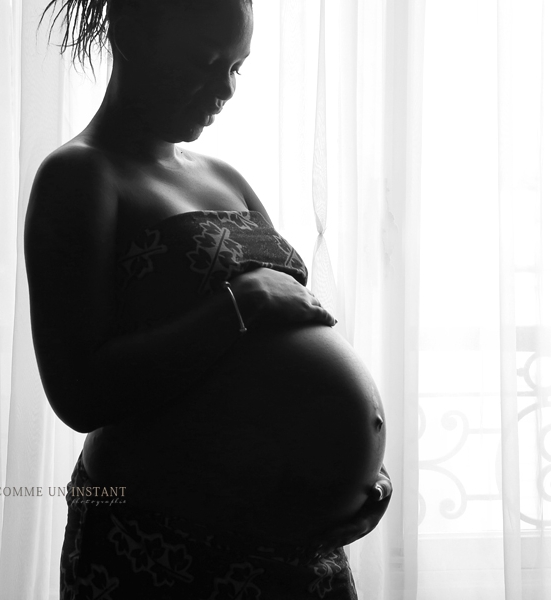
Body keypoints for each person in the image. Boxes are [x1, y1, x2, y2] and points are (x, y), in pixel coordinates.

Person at [25, 0, 391, 597]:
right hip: (169, 550)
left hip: (298, 554)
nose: (224, 89)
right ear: (131, 35)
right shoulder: (81, 175)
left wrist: (356, 474)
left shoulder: (226, 176)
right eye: (204, 61)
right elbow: (78, 390)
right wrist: (236, 307)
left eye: (237, 67)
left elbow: (296, 323)